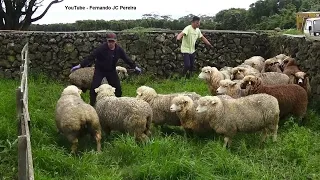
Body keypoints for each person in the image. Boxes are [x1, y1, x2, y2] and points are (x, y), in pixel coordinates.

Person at [71, 32, 142, 106]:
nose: (111, 43)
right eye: (109, 41)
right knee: (94, 88)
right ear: (107, 41)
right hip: (100, 70)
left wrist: (135, 67)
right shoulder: (101, 48)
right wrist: (80, 65)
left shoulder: (118, 50)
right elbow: (91, 57)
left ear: (116, 41)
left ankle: (118, 105)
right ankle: (92, 104)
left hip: (111, 70)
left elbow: (126, 59)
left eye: (112, 41)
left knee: (118, 88)